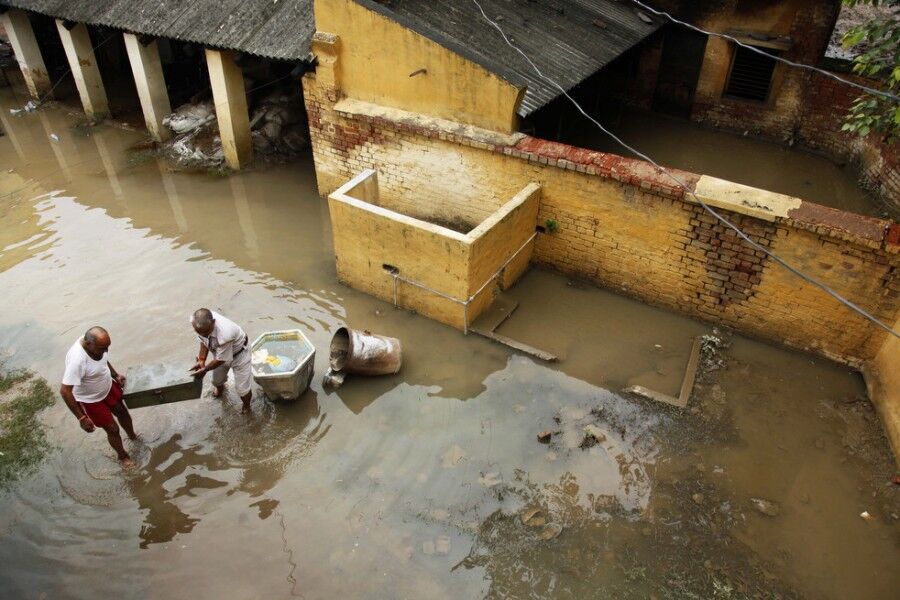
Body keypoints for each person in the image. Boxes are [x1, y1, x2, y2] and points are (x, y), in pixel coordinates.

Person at [60, 326, 137, 468]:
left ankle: (133, 436)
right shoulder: (77, 360)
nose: (106, 351)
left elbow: (103, 359)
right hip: (91, 399)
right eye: (102, 348)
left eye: (107, 347)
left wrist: (115, 375)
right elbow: (65, 391)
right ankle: (123, 456)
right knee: (112, 429)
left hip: (107, 386)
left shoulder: (97, 347)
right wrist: (81, 418)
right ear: (89, 345)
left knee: (123, 412)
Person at [189, 308, 253, 413]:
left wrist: (204, 369)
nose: (203, 334)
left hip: (240, 353)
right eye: (198, 332)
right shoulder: (197, 323)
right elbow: (203, 340)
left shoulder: (225, 333)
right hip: (220, 352)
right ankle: (220, 388)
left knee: (242, 389)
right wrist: (201, 360)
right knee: (216, 380)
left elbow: (221, 360)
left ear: (213, 322)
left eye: (205, 332)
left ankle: (247, 406)